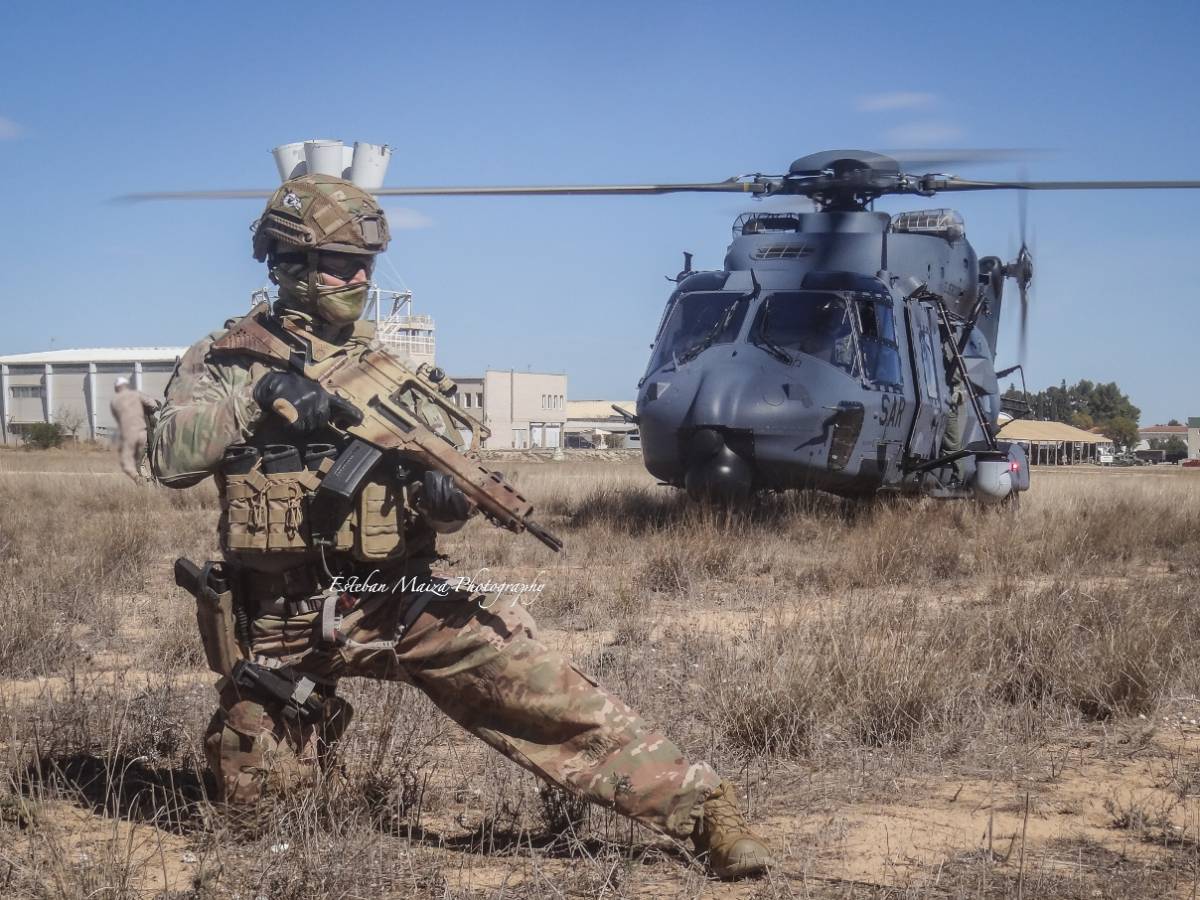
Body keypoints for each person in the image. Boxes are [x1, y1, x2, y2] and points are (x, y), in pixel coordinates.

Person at [149, 174, 772, 879]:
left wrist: (443, 499)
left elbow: (447, 478)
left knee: (545, 694)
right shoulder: (230, 360)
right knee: (250, 816)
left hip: (399, 594)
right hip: (280, 618)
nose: (357, 275)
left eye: (366, 263)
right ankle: (306, 729)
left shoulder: (389, 375)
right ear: (287, 262)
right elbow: (168, 457)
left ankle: (705, 809)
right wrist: (262, 395)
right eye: (339, 260)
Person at [110, 376, 159, 482]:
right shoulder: (137, 395)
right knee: (150, 457)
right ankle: (150, 479)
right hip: (144, 433)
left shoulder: (116, 401)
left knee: (137, 461)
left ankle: (144, 481)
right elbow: (154, 405)